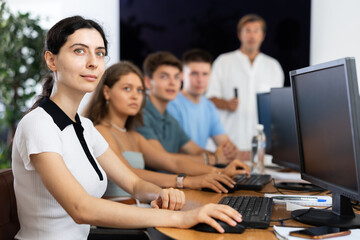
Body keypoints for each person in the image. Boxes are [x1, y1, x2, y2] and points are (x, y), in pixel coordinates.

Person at [11, 16, 243, 239]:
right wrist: (181, 218)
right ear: (52, 60)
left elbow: (134, 183)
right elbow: (81, 208)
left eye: (99, 53)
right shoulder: (39, 125)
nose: (93, 62)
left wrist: (161, 194)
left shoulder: (84, 126)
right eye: (79, 50)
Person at [84, 61, 250, 195]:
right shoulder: (100, 131)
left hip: (140, 208)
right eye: (127, 88)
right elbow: (129, 173)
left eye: (140, 90)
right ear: (106, 92)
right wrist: (186, 181)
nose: (135, 96)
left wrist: (219, 172)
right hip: (119, 218)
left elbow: (173, 161)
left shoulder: (134, 136)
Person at [136, 51, 235, 165]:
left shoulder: (170, 120)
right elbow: (163, 160)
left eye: (176, 77)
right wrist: (214, 160)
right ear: (148, 82)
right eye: (164, 76)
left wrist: (222, 158)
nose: (172, 82)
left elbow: (196, 151)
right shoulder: (140, 114)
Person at [206, 14, 284, 151]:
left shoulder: (273, 67)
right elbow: (209, 98)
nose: (252, 35)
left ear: (263, 35)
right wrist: (226, 104)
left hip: (261, 147)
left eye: (256, 30)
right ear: (240, 35)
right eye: (247, 31)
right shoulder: (223, 62)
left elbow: (277, 108)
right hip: (227, 145)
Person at [167, 49, 250, 160]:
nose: (200, 80)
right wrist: (216, 157)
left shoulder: (209, 107)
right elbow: (181, 149)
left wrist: (242, 153)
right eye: (194, 74)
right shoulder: (171, 104)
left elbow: (226, 145)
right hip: (176, 173)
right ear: (182, 75)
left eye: (205, 74)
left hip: (200, 169)